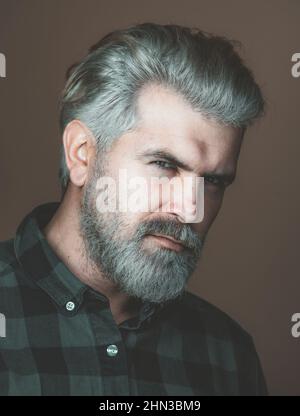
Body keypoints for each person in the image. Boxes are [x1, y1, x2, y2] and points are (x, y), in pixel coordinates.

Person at [0, 22, 268, 395]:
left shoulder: (227, 354)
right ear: (82, 154)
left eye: (213, 181)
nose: (190, 210)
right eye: (164, 165)